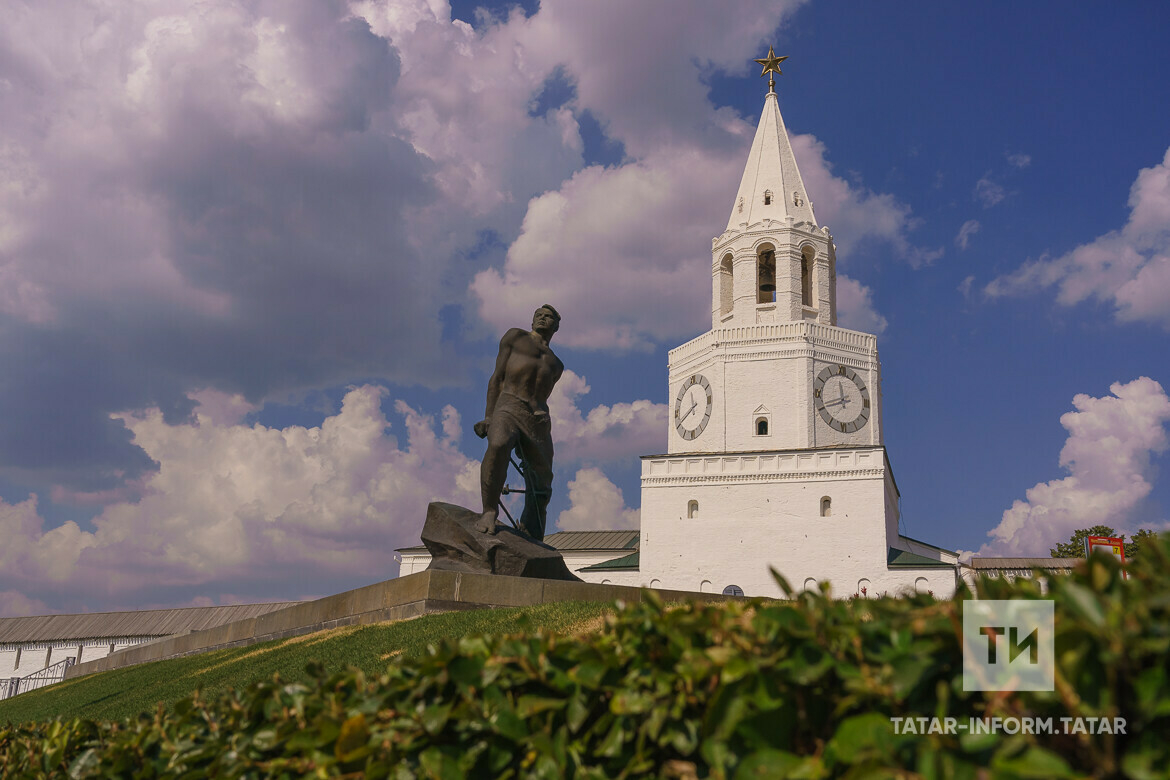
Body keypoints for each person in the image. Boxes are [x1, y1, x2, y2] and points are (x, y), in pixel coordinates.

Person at [473, 305, 564, 541]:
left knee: (542, 483)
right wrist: (489, 416)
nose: (543, 319)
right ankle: (489, 512)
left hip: (538, 420)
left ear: (556, 326)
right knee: (499, 445)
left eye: (549, 317)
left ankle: (532, 534)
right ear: (532, 320)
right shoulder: (515, 337)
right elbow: (497, 378)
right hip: (509, 406)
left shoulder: (556, 364)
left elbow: (542, 393)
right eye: (539, 315)